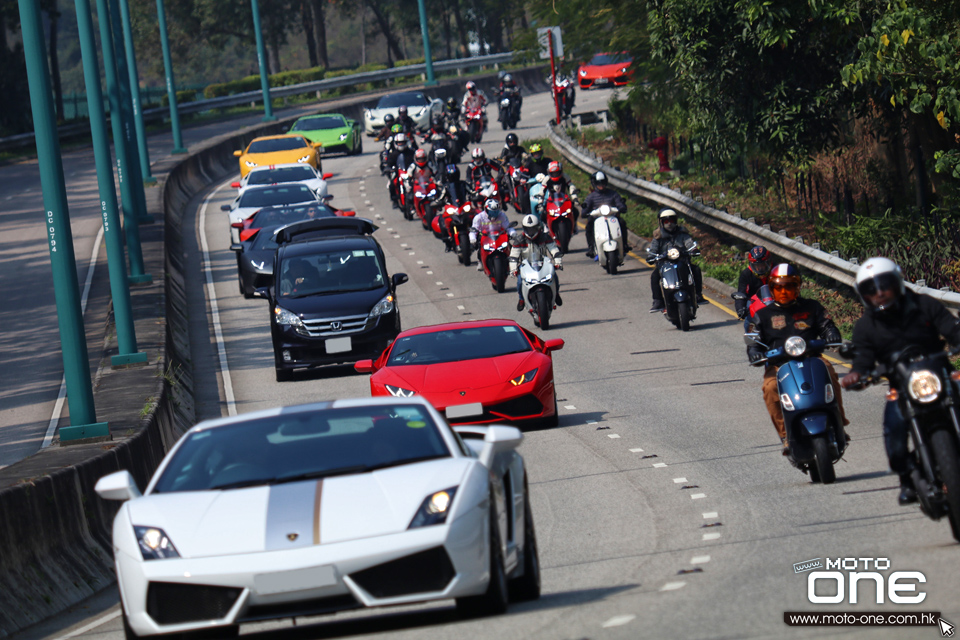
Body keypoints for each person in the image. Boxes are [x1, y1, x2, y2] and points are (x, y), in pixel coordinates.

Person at [840, 257, 960, 505]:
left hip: (941, 377)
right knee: (894, 439)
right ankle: (908, 479)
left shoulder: (924, 305)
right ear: (864, 295)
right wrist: (856, 375)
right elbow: (863, 360)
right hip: (901, 387)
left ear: (898, 283)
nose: (880, 293)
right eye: (872, 289)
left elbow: (952, 328)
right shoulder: (865, 326)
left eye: (885, 285)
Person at [747, 264, 848, 455]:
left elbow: (827, 325)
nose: (783, 291)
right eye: (778, 287)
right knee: (769, 388)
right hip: (779, 366)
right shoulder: (762, 315)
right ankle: (786, 437)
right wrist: (754, 352)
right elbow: (753, 341)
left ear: (797, 288)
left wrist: (832, 334)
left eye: (789, 287)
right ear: (771, 288)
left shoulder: (812, 307)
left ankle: (839, 423)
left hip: (812, 359)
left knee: (830, 373)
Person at [647, 209, 703, 309]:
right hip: (664, 264)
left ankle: (698, 295)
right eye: (666, 221)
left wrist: (693, 249)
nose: (669, 224)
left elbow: (689, 243)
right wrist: (652, 256)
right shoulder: (658, 236)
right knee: (654, 277)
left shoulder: (683, 234)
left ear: (676, 221)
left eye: (671, 221)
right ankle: (657, 300)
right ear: (662, 222)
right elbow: (653, 248)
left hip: (682, 262)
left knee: (696, 270)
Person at [510, 214, 562, 311]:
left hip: (543, 263)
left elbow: (554, 249)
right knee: (520, 280)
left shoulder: (545, 237)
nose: (530, 232)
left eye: (533, 229)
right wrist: (513, 269)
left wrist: (558, 262)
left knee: (554, 276)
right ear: (524, 228)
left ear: (538, 227)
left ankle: (556, 293)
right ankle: (521, 298)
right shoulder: (519, 240)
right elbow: (513, 256)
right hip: (526, 266)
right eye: (528, 229)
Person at [582, 171, 629, 255]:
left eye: (603, 183)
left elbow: (619, 203)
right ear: (594, 184)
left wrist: (622, 207)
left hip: (612, 217)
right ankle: (591, 248)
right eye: (599, 183)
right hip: (597, 219)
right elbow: (586, 207)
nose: (601, 185)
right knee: (589, 227)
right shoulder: (591, 197)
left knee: (622, 223)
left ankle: (624, 245)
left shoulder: (613, 194)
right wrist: (585, 212)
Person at [470, 198, 513, 270]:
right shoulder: (479, 217)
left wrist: (512, 233)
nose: (493, 215)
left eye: (495, 212)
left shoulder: (502, 215)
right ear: (486, 209)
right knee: (479, 245)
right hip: (485, 236)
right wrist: (472, 238)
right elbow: (474, 229)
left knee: (510, 245)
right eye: (491, 212)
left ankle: (512, 260)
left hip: (499, 235)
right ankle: (480, 260)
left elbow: (507, 226)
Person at [736, 246, 772, 319]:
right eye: (757, 266)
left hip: (775, 301)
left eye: (762, 265)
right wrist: (740, 309)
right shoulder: (746, 274)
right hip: (754, 303)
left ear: (768, 263)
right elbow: (741, 293)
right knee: (748, 322)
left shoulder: (776, 270)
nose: (760, 268)